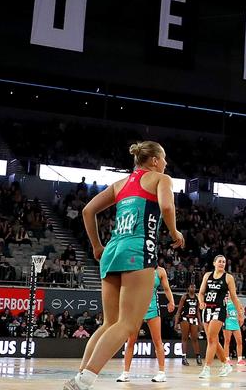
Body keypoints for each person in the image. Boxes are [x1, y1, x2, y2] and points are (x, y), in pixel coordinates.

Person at [62, 141, 185, 390]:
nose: (166, 164)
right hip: (137, 250)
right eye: (163, 159)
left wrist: (96, 246)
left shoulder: (120, 184)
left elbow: (88, 211)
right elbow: (167, 206)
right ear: (154, 161)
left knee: (110, 323)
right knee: (128, 324)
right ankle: (84, 381)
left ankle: (79, 375)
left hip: (112, 250)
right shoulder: (161, 179)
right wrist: (174, 231)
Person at [116, 263, 175, 383]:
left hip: (153, 308)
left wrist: (171, 302)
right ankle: (125, 373)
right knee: (131, 341)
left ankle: (162, 373)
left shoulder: (160, 271)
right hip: (136, 308)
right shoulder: (136, 267)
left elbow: (167, 289)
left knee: (157, 340)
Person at [197, 255, 243, 379]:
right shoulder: (207, 276)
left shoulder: (228, 277)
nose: (222, 263)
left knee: (211, 339)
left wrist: (240, 312)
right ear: (214, 263)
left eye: (224, 262)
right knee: (213, 340)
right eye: (220, 261)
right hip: (207, 309)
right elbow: (201, 293)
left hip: (219, 309)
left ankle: (207, 368)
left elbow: (233, 297)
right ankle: (225, 364)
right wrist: (201, 302)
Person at [175, 289, 202, 365]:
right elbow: (179, 310)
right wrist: (176, 323)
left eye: (194, 286)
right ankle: (184, 358)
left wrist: (200, 323)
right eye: (191, 286)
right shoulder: (184, 297)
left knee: (195, 338)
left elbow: (198, 311)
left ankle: (198, 357)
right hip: (185, 318)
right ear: (188, 288)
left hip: (194, 318)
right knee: (185, 338)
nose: (193, 288)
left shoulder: (197, 298)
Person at [223, 295, 245, 367]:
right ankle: (227, 359)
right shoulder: (225, 300)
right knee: (227, 341)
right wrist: (224, 314)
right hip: (227, 321)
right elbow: (221, 310)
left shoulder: (237, 300)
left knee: (239, 341)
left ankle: (240, 360)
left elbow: (241, 309)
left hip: (235, 322)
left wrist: (241, 316)